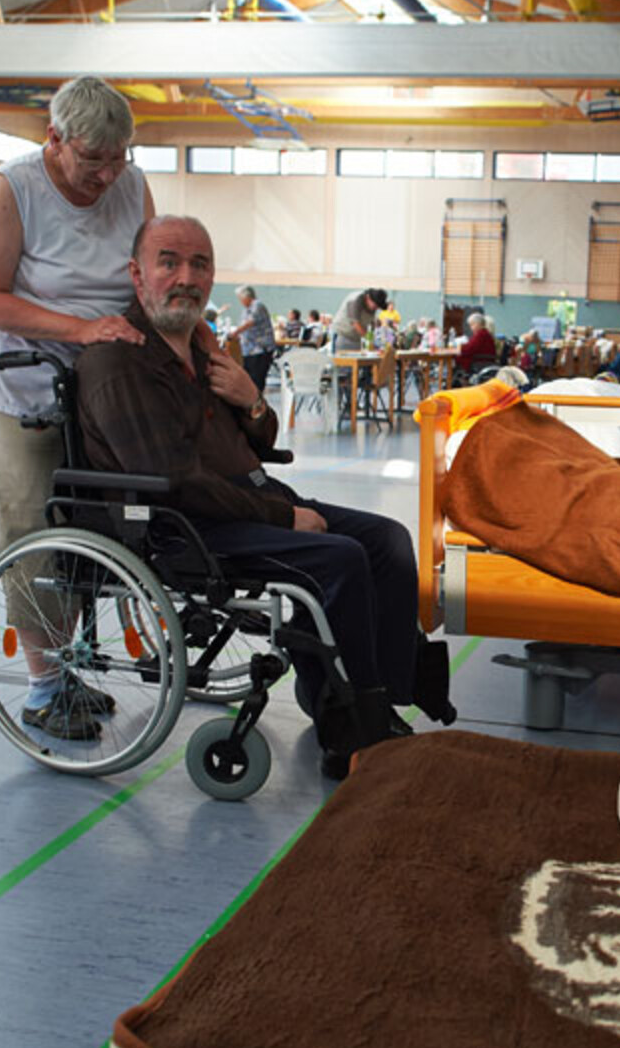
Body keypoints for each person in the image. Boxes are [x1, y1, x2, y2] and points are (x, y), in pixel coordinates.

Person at [77, 216, 454, 775]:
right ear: (137, 274)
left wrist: (253, 401)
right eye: (169, 262)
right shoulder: (118, 361)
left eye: (200, 264)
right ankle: (351, 729)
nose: (186, 277)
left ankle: (376, 697)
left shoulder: (204, 354)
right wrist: (283, 515)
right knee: (341, 559)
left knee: (389, 540)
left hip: (250, 499)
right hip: (189, 526)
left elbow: (264, 439)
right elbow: (174, 482)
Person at [0, 76, 155, 738]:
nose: (106, 175)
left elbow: (146, 277)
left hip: (105, 386)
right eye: (91, 159)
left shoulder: (130, 183)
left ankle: (71, 661)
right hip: (24, 382)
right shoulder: (12, 189)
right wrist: (82, 331)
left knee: (99, 524)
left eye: (117, 158)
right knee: (31, 527)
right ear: (53, 139)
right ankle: (44, 685)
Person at [228, 284, 277, 392]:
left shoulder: (257, 305)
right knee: (250, 378)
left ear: (247, 297)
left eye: (241, 299)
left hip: (259, 349)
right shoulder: (246, 309)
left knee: (257, 379)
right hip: (249, 350)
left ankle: (256, 404)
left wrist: (235, 333)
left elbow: (249, 323)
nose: (240, 301)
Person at [329, 287, 385, 352]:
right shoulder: (354, 300)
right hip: (342, 335)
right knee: (340, 360)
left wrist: (374, 338)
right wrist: (371, 340)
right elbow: (356, 324)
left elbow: (372, 323)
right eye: (375, 306)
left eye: (377, 307)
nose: (375, 308)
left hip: (356, 339)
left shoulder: (373, 305)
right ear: (368, 298)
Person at [457, 311, 496, 375]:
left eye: (472, 324)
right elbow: (471, 346)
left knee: (457, 358)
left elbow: (470, 348)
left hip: (482, 361)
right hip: (482, 359)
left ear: (478, 324)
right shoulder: (483, 333)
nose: (471, 328)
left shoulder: (481, 334)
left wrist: (459, 348)